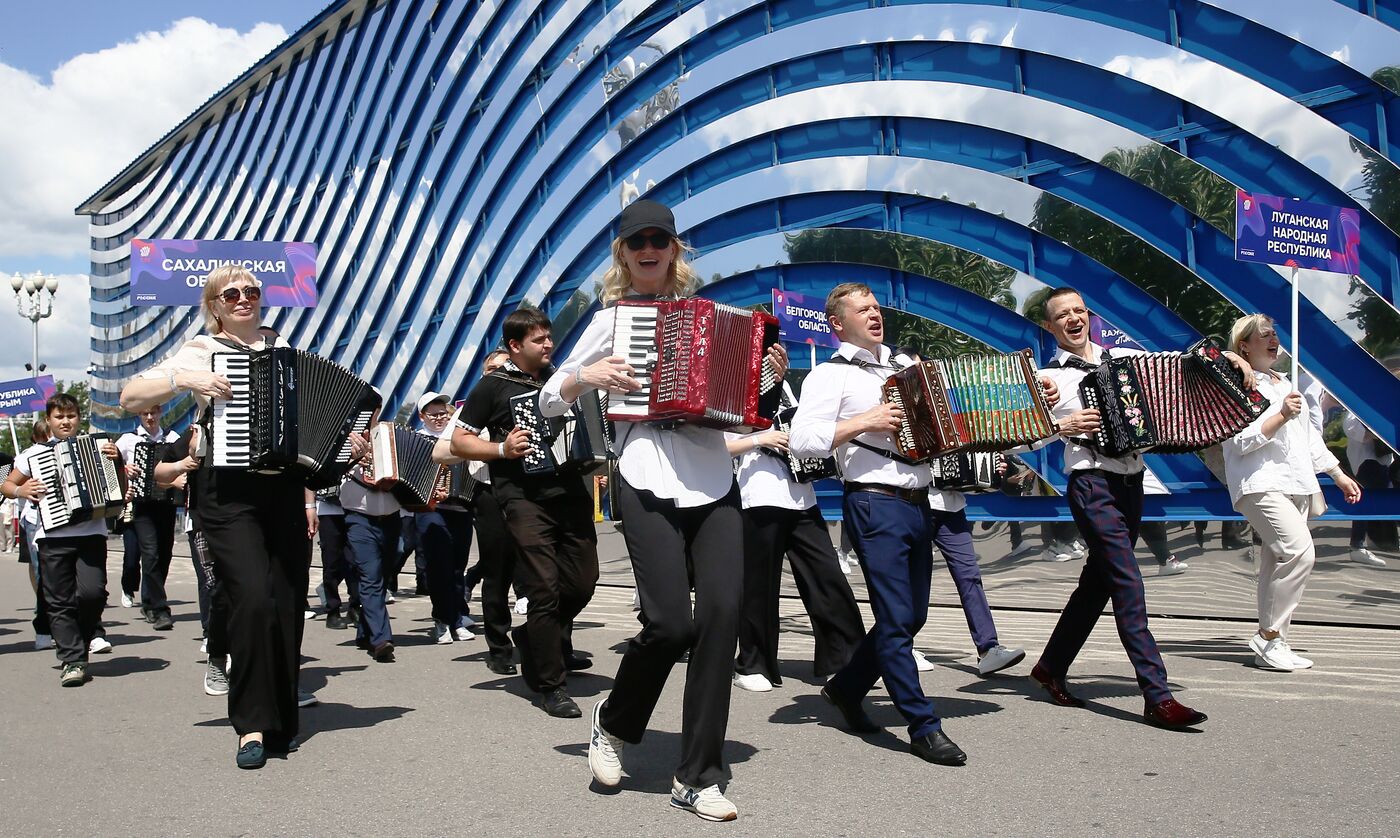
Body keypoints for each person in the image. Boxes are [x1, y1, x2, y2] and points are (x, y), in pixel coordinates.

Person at [540, 199, 785, 820]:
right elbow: (548, 400)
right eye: (637, 240)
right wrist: (585, 376)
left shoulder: (712, 318)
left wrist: (768, 376)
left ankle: (698, 774)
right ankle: (615, 719)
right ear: (623, 254)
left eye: (661, 239)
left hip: (711, 475)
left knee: (723, 616)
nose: (649, 248)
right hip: (644, 474)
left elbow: (746, 403)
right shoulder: (610, 320)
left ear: (675, 250)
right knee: (671, 624)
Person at [119, 264, 344, 768]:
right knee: (252, 601)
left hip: (284, 489)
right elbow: (130, 395)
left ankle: (282, 716)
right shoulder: (202, 350)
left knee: (287, 604)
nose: (244, 299)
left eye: (252, 291)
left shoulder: (284, 350)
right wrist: (183, 377)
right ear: (215, 305)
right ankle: (250, 725)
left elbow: (315, 421)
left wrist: (341, 442)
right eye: (232, 294)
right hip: (228, 493)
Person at [1029, 287, 1247, 728]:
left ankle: (1049, 667)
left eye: (1079, 310)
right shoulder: (1046, 377)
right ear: (1050, 327)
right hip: (1091, 484)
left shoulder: (1126, 359)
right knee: (1128, 583)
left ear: (1087, 315)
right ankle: (1157, 696)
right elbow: (1020, 437)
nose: (1073, 319)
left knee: (1097, 586)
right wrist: (1061, 424)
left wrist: (1233, 361)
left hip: (1131, 483)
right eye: (1062, 315)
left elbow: (1189, 372)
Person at [788, 283, 969, 767]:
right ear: (837, 323)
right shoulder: (829, 375)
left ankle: (846, 689)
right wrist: (863, 421)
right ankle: (922, 725)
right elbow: (802, 439)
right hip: (873, 501)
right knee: (894, 619)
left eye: (876, 307)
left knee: (912, 617)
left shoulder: (905, 367)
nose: (874, 314)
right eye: (862, 309)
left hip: (919, 499)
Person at [452, 307, 600, 717]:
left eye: (549, 336)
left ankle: (535, 637)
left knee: (584, 580)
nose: (548, 343)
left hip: (570, 493)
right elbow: (459, 443)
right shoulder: (493, 386)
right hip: (522, 498)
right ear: (515, 346)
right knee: (543, 589)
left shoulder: (561, 382)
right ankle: (550, 685)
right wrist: (501, 449)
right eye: (539, 339)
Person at [1222, 314, 1363, 670]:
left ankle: (1274, 646)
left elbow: (1308, 439)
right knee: (1300, 552)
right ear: (1244, 345)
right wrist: (1280, 414)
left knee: (1275, 563)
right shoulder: (1232, 381)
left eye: (1275, 333)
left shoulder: (1286, 384)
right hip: (1260, 482)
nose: (1274, 339)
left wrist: (1337, 473)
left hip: (1296, 482)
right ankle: (1268, 636)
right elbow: (1239, 442)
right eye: (1264, 335)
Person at [894, 349, 1027, 677]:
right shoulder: (898, 409)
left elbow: (975, 443)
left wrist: (989, 466)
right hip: (917, 503)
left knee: (970, 575)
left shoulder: (951, 409)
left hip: (952, 506)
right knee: (915, 584)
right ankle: (900, 646)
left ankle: (988, 648)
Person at [726, 383, 864, 693]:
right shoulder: (734, 386)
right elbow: (720, 446)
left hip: (803, 496)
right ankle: (752, 663)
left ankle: (842, 658)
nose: (774, 355)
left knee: (827, 578)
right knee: (759, 587)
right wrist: (762, 438)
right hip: (758, 493)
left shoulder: (786, 387)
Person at [2, 393, 121, 686]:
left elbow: (117, 491)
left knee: (93, 593)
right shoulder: (32, 455)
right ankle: (73, 660)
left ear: (78, 418)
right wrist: (22, 490)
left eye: (70, 416)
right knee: (59, 600)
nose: (65, 422)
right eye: (59, 417)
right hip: (52, 536)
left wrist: (115, 463)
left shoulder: (100, 447)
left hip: (91, 533)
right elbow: (6, 484)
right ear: (49, 420)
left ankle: (80, 638)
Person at [339, 407, 401, 663]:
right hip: (358, 517)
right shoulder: (342, 438)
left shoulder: (391, 435)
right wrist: (351, 458)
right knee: (371, 576)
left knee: (384, 574)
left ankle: (365, 631)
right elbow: (326, 466)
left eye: (374, 409)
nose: (370, 414)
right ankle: (381, 639)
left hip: (392, 517)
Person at [414, 391, 475, 645]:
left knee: (457, 566)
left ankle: (457, 617)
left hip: (461, 509)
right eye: (433, 415)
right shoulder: (417, 440)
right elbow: (412, 478)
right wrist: (430, 489)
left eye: (443, 413)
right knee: (438, 566)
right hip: (432, 510)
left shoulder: (459, 440)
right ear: (422, 417)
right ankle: (442, 620)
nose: (439, 418)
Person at [116, 403, 182, 630]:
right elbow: (109, 465)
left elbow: (182, 464)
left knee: (164, 554)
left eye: (153, 412)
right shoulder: (127, 440)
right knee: (150, 554)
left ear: (160, 413)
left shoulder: (172, 437)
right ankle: (160, 608)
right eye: (145, 413)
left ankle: (149, 601)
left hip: (167, 503)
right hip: (141, 504)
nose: (150, 417)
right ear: (139, 415)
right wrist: (125, 468)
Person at [1343, 409, 1395, 567]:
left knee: (1379, 500)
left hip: (1384, 461)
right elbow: (1361, 435)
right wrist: (1385, 429)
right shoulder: (1353, 413)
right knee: (1367, 500)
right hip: (1366, 462)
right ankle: (1357, 545)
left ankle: (1375, 538)